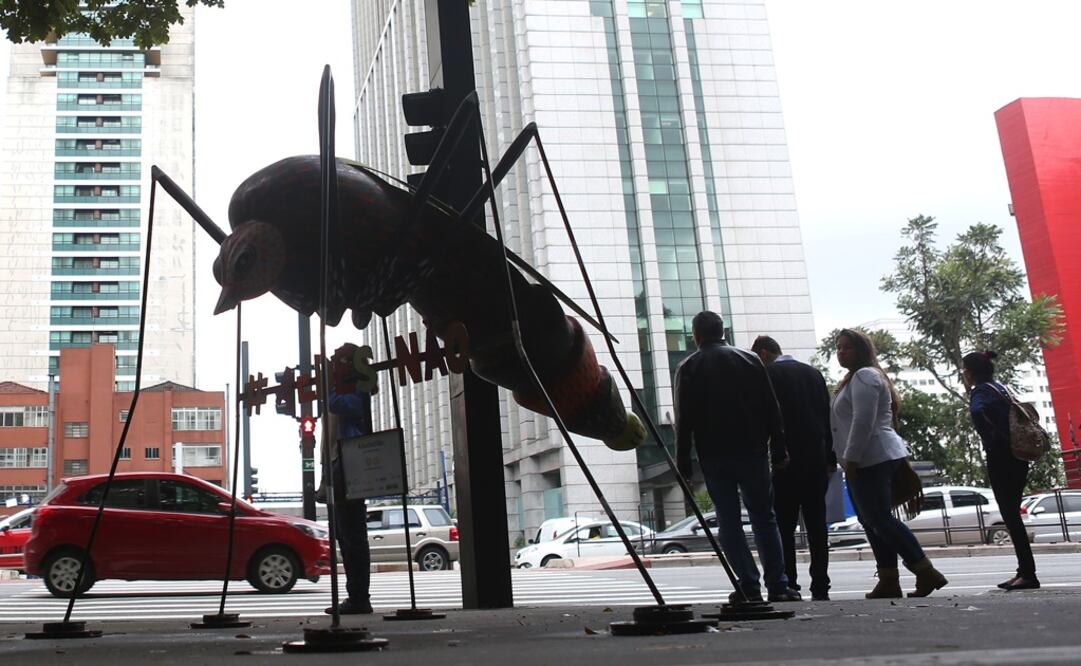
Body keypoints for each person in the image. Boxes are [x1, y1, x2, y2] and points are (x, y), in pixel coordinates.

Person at [675, 311, 801, 603]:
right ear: (722, 331)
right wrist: (778, 448)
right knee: (764, 518)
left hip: (714, 453)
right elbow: (772, 408)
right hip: (752, 450)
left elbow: (684, 420)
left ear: (696, 334)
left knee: (728, 520)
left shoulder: (689, 366)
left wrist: (683, 463)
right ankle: (778, 585)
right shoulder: (750, 360)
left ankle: (748, 584)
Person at [831, 328, 947, 598]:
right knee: (872, 521)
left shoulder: (865, 376)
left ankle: (926, 572)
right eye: (838, 347)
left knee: (879, 519)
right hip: (866, 457)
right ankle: (889, 580)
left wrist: (851, 458)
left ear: (862, 350)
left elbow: (863, 420)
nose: (841, 352)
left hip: (871, 456)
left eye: (847, 347)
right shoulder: (853, 379)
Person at [752, 335, 836, 601]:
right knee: (816, 526)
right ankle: (820, 584)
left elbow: (766, 418)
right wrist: (829, 457)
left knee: (784, 528)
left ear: (764, 353)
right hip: (816, 461)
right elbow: (826, 417)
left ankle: (791, 583)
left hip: (785, 462)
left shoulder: (769, 375)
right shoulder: (814, 374)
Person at [963, 350, 1039, 591]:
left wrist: (990, 438)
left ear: (970, 372)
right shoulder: (1001, 388)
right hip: (1018, 455)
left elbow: (976, 411)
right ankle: (1024, 571)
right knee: (1012, 514)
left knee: (1010, 515)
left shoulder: (980, 391)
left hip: (1001, 458)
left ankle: (1027, 574)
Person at [324, 343, 374, 615]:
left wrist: (332, 385)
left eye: (337, 362)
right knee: (345, 533)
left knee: (353, 534)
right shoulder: (347, 388)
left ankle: (359, 596)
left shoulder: (357, 388)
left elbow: (337, 404)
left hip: (351, 463)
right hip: (339, 461)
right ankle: (355, 595)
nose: (333, 367)